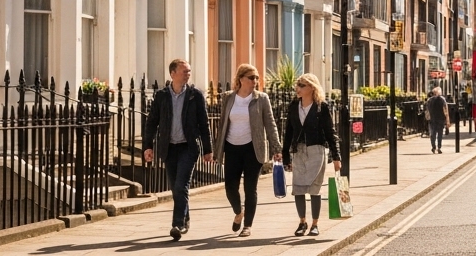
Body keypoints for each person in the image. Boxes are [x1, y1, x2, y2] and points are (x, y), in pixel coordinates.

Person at [141, 59, 213, 241]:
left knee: (181, 185)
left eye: (189, 71)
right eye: (184, 71)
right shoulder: (161, 96)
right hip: (168, 148)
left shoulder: (195, 95)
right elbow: (151, 123)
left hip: (188, 147)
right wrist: (148, 146)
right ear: (173, 73)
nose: (188, 74)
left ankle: (178, 224)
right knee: (175, 188)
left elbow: (204, 124)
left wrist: (208, 149)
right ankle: (185, 217)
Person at [215, 64, 282, 236]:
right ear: (241, 79)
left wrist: (276, 147)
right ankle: (239, 212)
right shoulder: (228, 98)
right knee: (230, 187)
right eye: (252, 77)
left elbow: (270, 124)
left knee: (250, 188)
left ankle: (247, 225)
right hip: (232, 147)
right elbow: (222, 124)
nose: (255, 81)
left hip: (253, 148)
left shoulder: (261, 98)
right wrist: (217, 150)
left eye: (257, 78)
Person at [282, 73, 341, 237]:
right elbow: (288, 132)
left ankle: (315, 224)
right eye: (297, 84)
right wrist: (285, 155)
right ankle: (302, 222)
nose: (297, 88)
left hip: (316, 150)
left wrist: (336, 157)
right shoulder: (294, 105)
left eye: (301, 85)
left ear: (311, 88)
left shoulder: (321, 107)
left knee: (314, 189)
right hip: (298, 151)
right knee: (298, 188)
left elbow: (330, 133)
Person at [425, 87, 450, 153]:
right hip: (440, 119)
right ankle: (439, 147)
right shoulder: (442, 99)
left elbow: (427, 110)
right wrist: (447, 121)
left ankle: (433, 147)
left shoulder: (429, 100)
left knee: (432, 134)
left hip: (432, 119)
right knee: (440, 134)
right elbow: (446, 111)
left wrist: (428, 118)